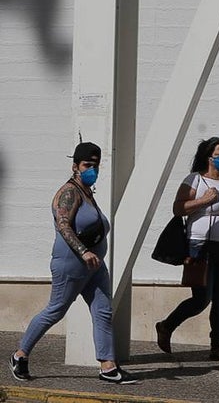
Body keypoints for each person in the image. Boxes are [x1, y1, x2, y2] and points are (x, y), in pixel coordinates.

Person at [10, 142, 137, 384]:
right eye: (88, 165)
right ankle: (20, 355)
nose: (93, 170)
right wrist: (83, 251)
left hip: (95, 266)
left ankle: (108, 366)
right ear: (75, 166)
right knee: (55, 311)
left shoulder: (88, 193)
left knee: (103, 311)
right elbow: (63, 224)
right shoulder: (69, 192)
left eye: (96, 166)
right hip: (71, 263)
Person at [155, 136, 219, 361]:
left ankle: (217, 347)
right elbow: (179, 209)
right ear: (209, 157)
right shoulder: (195, 180)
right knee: (202, 299)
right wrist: (204, 201)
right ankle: (166, 325)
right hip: (201, 246)